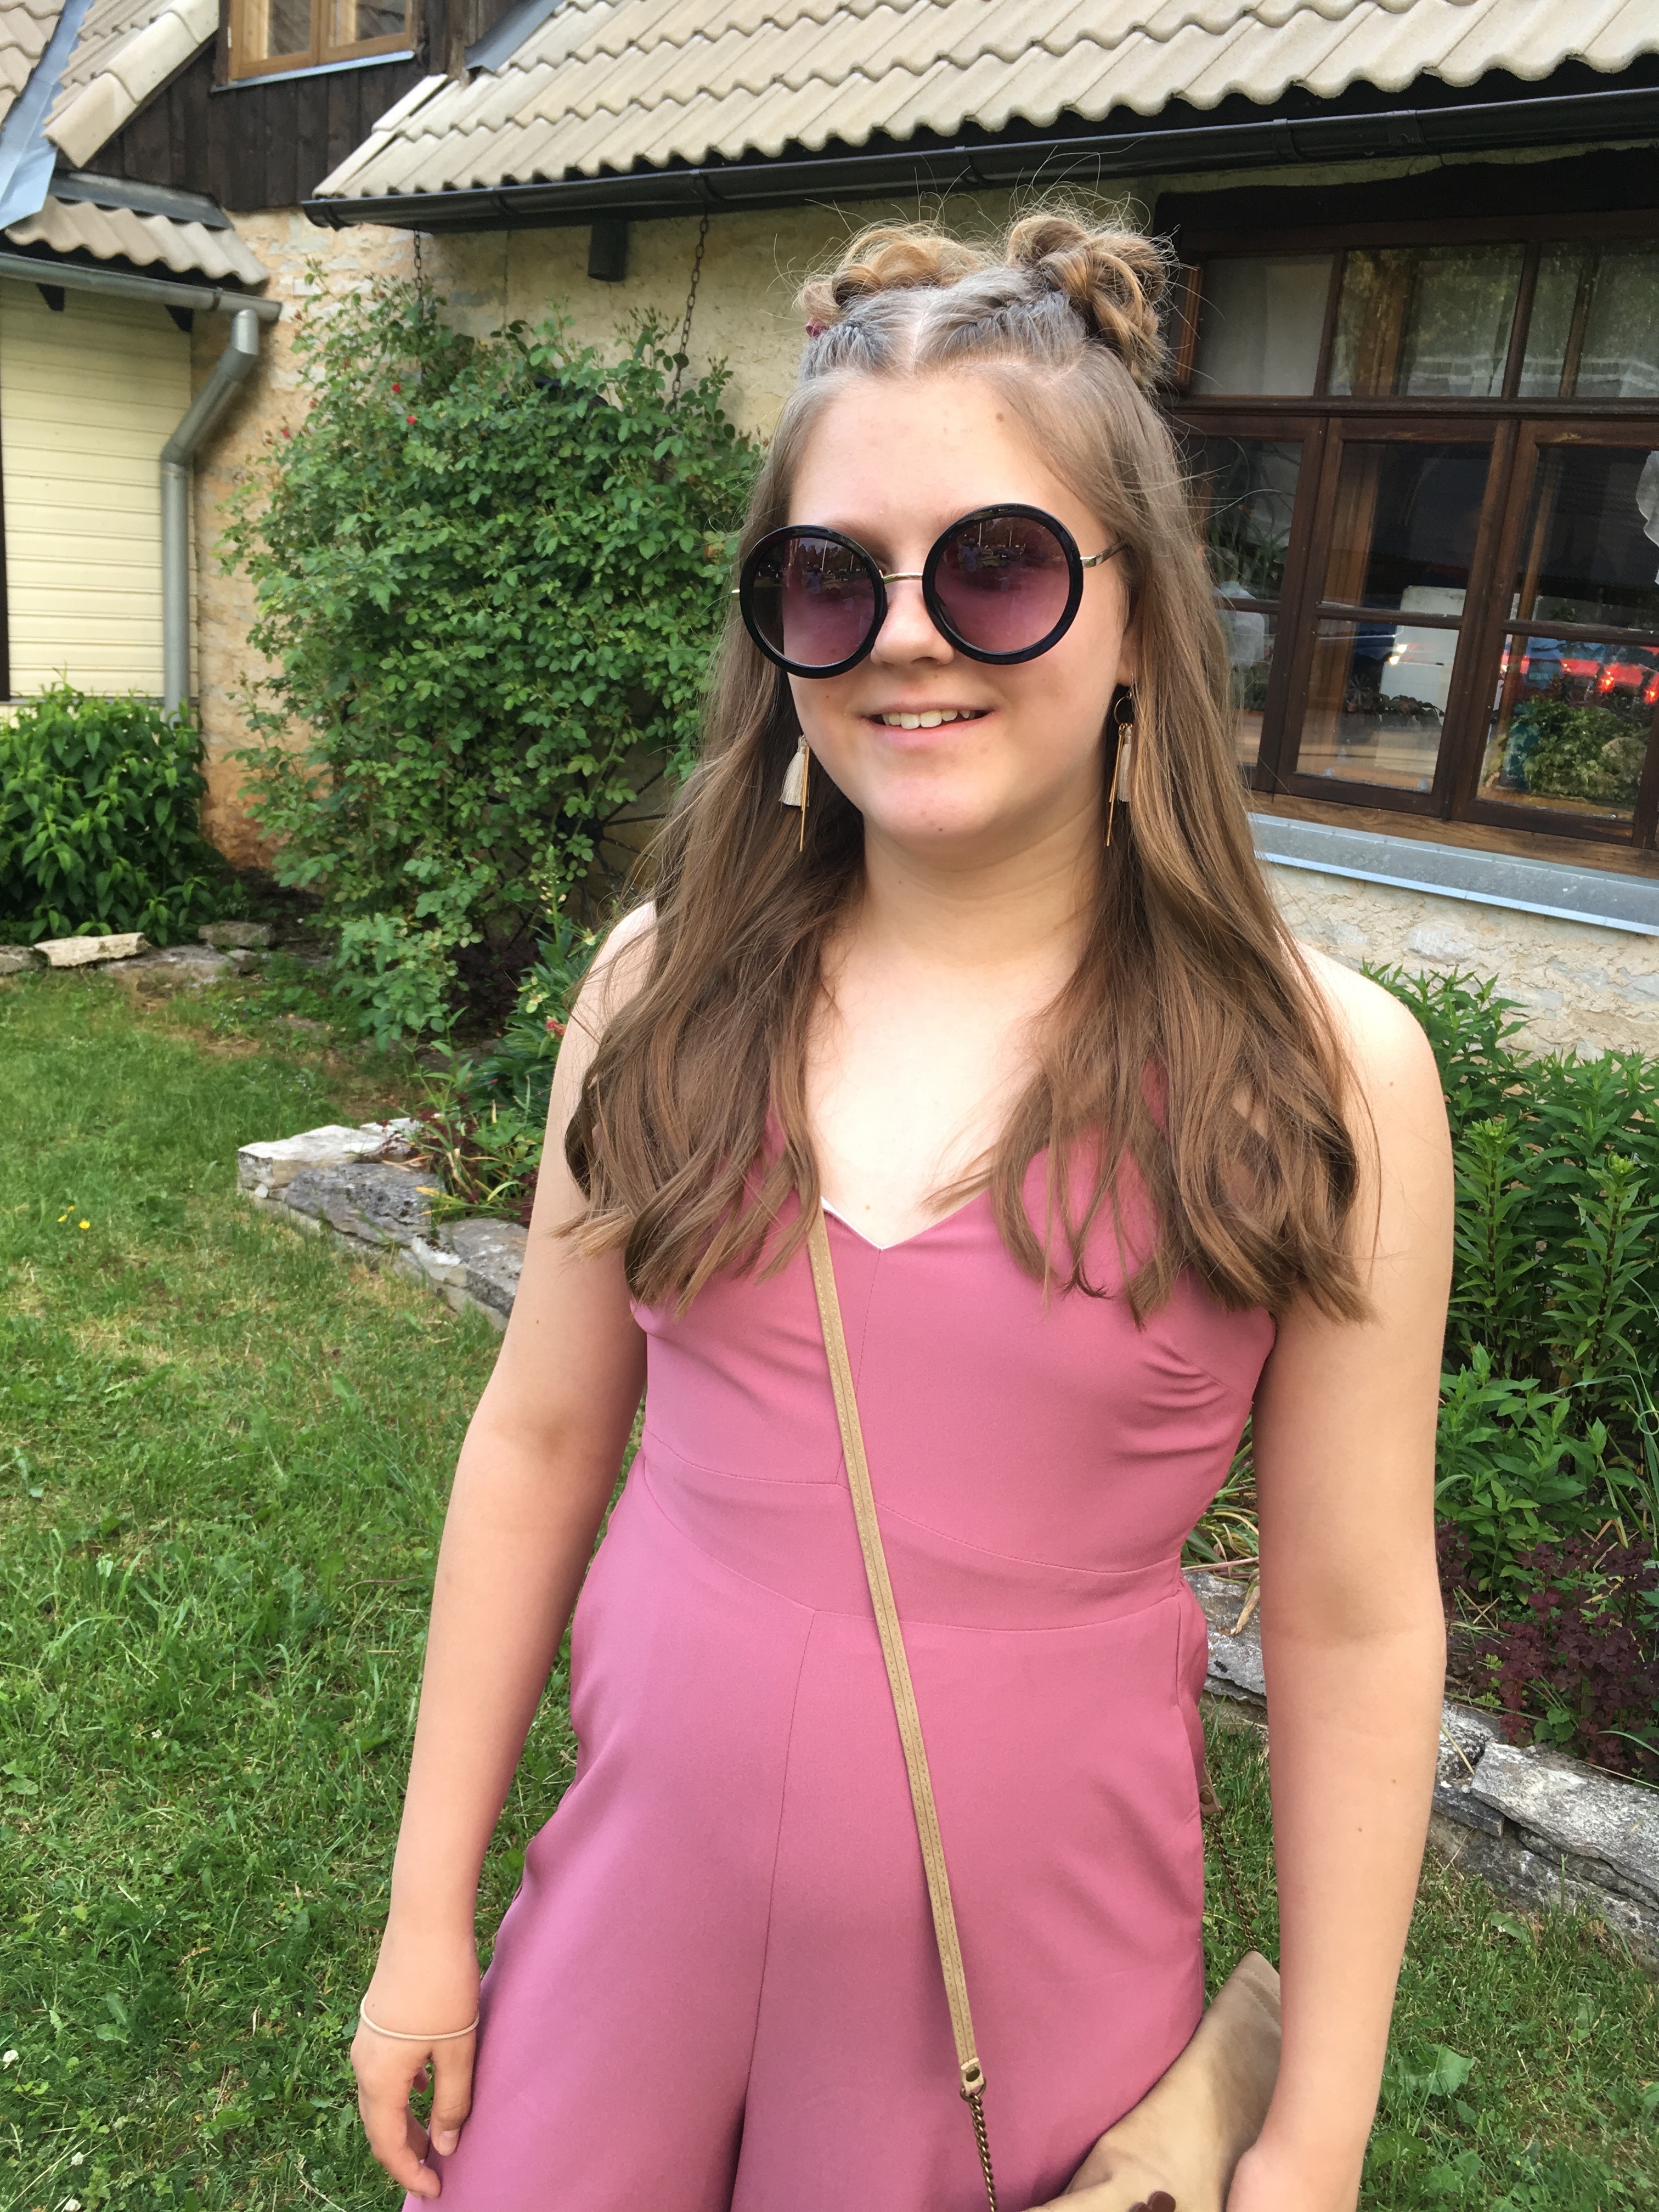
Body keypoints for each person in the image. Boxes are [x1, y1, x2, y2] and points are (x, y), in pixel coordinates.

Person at [350, 213, 1453, 2212]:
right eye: (832, 577)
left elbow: (1355, 1619)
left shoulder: (1323, 1072)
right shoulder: (661, 990)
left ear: (1141, 615)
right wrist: (430, 1916)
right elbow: (539, 1442)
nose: (909, 637)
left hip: (1019, 2001)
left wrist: (1320, 2131)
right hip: (627, 1944)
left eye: (998, 566)